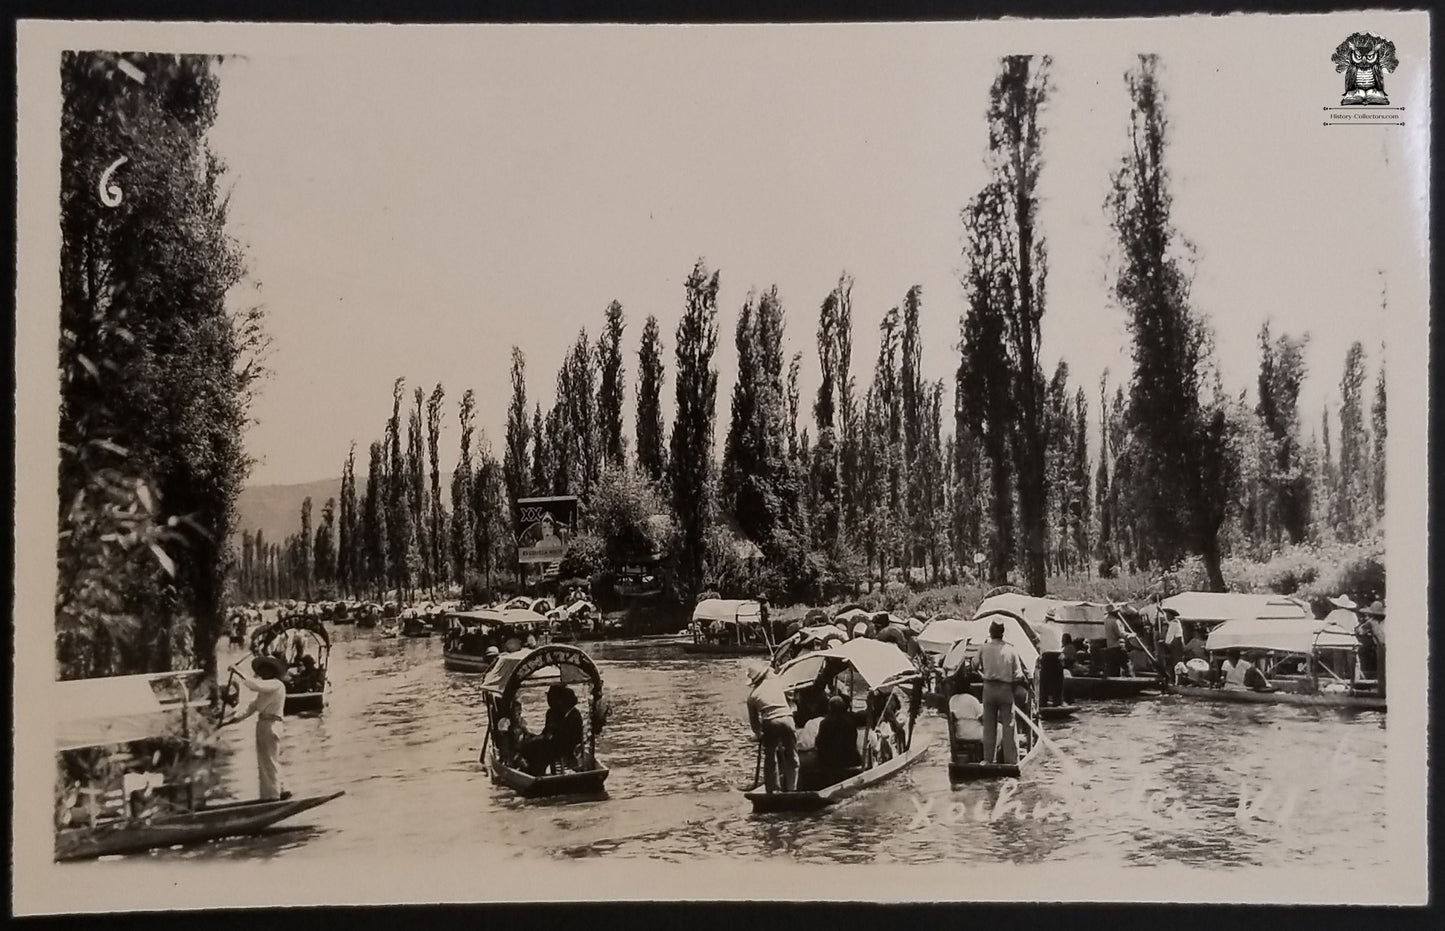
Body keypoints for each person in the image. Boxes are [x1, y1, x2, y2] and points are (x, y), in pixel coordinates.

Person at [228, 656, 291, 801]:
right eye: (261, 669)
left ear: (271, 671)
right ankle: (281, 789)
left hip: (271, 725)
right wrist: (235, 719)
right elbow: (253, 706)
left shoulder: (276, 684)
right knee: (268, 760)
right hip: (264, 724)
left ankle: (272, 796)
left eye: (265, 669)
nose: (262, 672)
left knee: (268, 761)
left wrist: (238, 672)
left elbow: (254, 685)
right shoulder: (265, 690)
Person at [746, 662, 798, 793]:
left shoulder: (752, 696)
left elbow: (754, 722)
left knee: (770, 756)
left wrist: (758, 734)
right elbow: (791, 695)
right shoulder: (777, 683)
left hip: (770, 722)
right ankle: (792, 788)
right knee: (792, 755)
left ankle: (773, 790)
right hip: (787, 718)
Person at [977, 621, 1022, 765]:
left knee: (989, 726)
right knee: (1008, 725)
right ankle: (1011, 761)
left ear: (990, 632)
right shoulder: (1011, 650)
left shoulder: (983, 648)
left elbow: (974, 665)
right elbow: (1018, 674)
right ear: (1003, 633)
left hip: (989, 688)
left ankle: (988, 759)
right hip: (1005, 689)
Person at [813, 695, 862, 776]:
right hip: (849, 758)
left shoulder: (825, 723)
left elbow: (820, 742)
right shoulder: (850, 722)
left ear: (830, 708)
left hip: (829, 760)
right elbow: (853, 741)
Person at [1360, 600, 1386, 698]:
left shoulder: (1373, 622)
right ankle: (1383, 692)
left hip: (1385, 645)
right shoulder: (1372, 622)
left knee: (1383, 669)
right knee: (1382, 670)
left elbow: (1361, 630)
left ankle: (1384, 692)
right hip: (1381, 645)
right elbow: (1361, 630)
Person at [1102, 606, 1128, 678]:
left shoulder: (1105, 620)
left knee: (1112, 669)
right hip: (1117, 647)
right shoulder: (1115, 621)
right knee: (1126, 666)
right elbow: (1121, 634)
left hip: (1109, 647)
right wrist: (1131, 635)